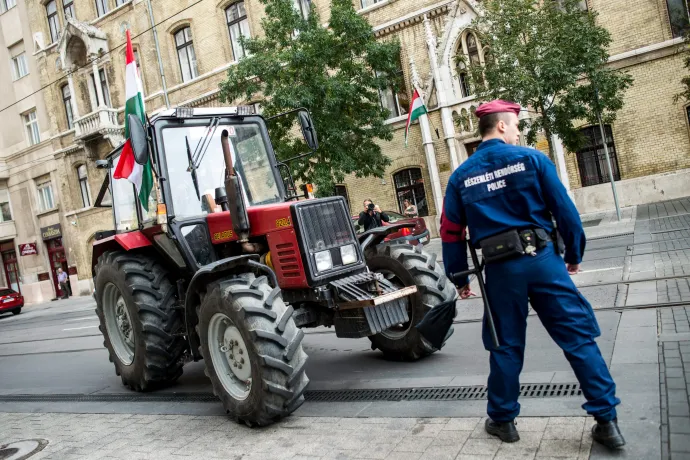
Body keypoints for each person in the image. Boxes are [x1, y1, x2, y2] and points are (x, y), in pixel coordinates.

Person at [440, 100, 624, 449]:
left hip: (500, 271)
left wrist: (459, 277)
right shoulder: (532, 160)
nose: (518, 131)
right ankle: (606, 421)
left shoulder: (461, 177)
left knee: (506, 346)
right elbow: (564, 210)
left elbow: (450, 232)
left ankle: (503, 420)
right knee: (577, 337)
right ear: (502, 126)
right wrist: (573, 254)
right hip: (542, 260)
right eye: (515, 125)